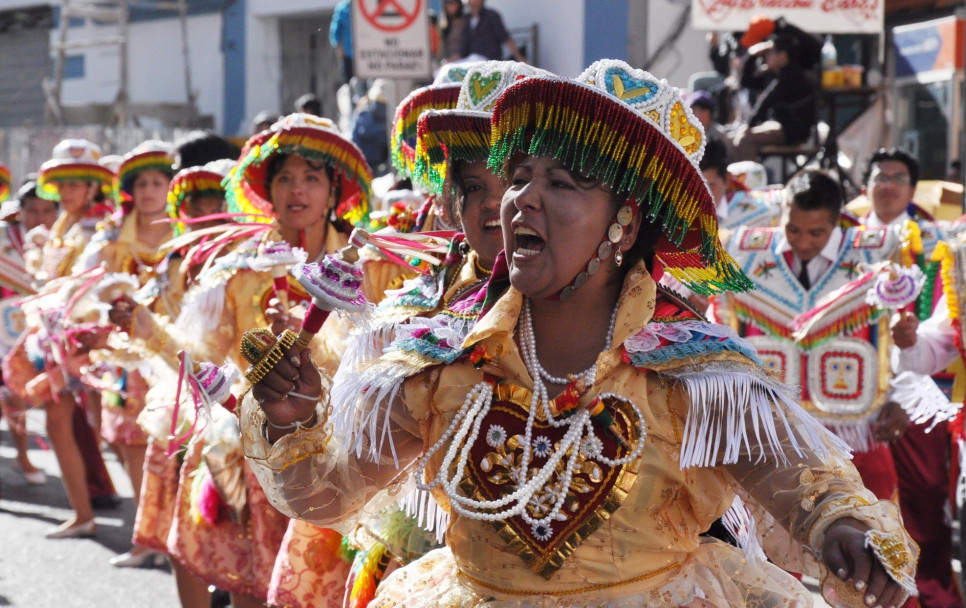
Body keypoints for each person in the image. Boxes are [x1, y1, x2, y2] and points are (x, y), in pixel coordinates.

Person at [240, 60, 917, 608]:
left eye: (559, 182)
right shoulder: (441, 359)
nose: (520, 200)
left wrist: (844, 528)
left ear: (623, 223)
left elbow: (807, 488)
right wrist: (291, 421)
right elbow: (325, 495)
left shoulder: (698, 376)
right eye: (520, 177)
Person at [718, 170, 913, 499]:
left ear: (837, 221)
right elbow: (722, 327)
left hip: (856, 425)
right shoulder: (742, 251)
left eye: (816, 232)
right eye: (793, 229)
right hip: (772, 430)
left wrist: (900, 398)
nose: (803, 241)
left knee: (872, 530)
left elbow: (904, 336)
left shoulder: (877, 254)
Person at [4, 139, 119, 538]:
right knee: (65, 425)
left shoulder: (101, 228)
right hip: (59, 339)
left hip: (86, 341)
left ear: (93, 186)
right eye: (63, 184)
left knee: (122, 433)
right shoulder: (64, 224)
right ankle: (86, 514)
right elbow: (50, 278)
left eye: (77, 183)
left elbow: (94, 284)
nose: (67, 192)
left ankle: (115, 522)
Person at [75, 140, 176, 567]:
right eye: (143, 183)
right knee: (130, 446)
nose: (151, 190)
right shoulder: (113, 235)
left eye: (159, 181)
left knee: (171, 449)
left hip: (172, 354)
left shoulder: (189, 232)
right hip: (125, 356)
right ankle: (145, 536)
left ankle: (168, 536)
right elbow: (87, 290)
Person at [0, 180, 57, 490]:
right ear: (20, 213)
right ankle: (22, 458)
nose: (39, 218)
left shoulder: (64, 243)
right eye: (32, 211)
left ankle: (23, 457)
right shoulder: (2, 240)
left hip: (40, 333)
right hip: (3, 329)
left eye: (47, 210)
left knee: (20, 397)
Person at [732, 33, 817, 161]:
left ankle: (747, 179)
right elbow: (746, 82)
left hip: (792, 131)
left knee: (745, 140)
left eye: (770, 53)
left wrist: (750, 125)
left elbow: (768, 99)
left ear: (782, 56)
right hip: (777, 126)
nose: (766, 57)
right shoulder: (774, 74)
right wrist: (751, 55)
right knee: (732, 136)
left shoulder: (792, 76)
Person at [460, 0, 525, 62]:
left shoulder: (491, 16)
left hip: (488, 58)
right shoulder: (466, 19)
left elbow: (504, 37)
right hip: (470, 58)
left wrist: (519, 57)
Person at [330, 0, 354, 85]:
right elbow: (335, 30)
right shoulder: (342, 8)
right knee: (349, 80)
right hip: (348, 52)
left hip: (364, 53)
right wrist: (337, 46)